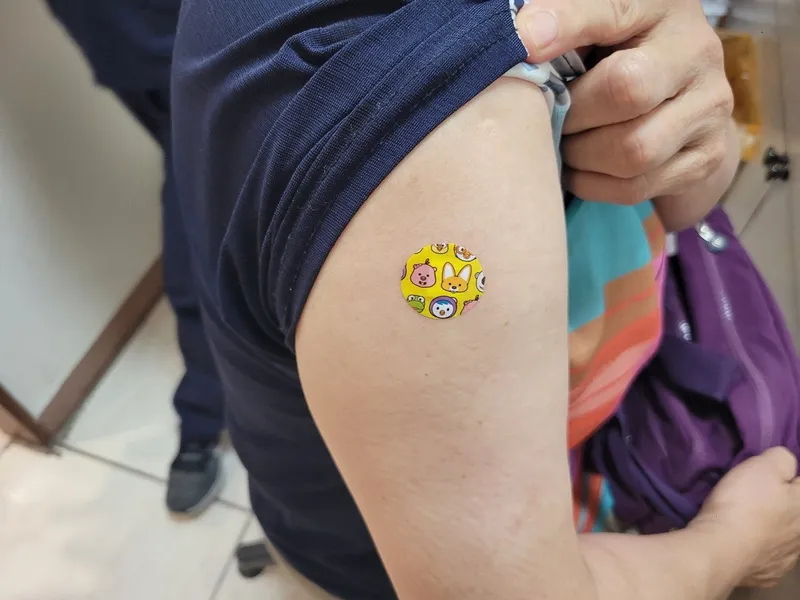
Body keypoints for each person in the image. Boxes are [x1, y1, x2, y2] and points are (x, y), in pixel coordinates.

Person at [170, 0, 800, 597]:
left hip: (504, 459)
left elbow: (680, 200)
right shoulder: (448, 133)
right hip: (392, 555)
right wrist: (736, 543)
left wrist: (693, 108)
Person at [45, 0, 226, 517]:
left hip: (129, 33)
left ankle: (206, 413)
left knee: (203, 182)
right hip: (138, 31)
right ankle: (206, 413)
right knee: (197, 195)